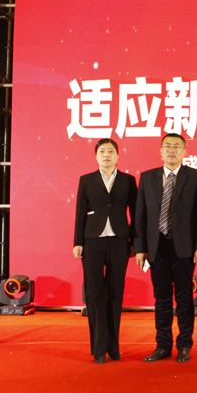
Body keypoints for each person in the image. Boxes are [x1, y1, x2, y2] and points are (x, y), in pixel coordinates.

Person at [135, 133, 197, 363]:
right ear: (160, 151)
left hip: (184, 248)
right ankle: (163, 345)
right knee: (162, 298)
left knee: (184, 297)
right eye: (167, 146)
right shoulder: (147, 177)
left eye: (177, 146)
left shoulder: (195, 177)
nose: (171, 150)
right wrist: (140, 248)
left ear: (184, 152)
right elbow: (140, 215)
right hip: (156, 248)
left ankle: (185, 345)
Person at [73, 138, 137, 364]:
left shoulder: (128, 180)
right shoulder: (87, 180)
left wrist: (134, 243)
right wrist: (77, 242)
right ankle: (99, 347)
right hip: (92, 242)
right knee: (94, 292)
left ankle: (113, 346)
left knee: (115, 292)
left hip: (119, 241)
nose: (106, 155)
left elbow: (135, 214)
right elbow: (80, 212)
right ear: (96, 156)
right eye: (102, 151)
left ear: (118, 155)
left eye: (111, 151)